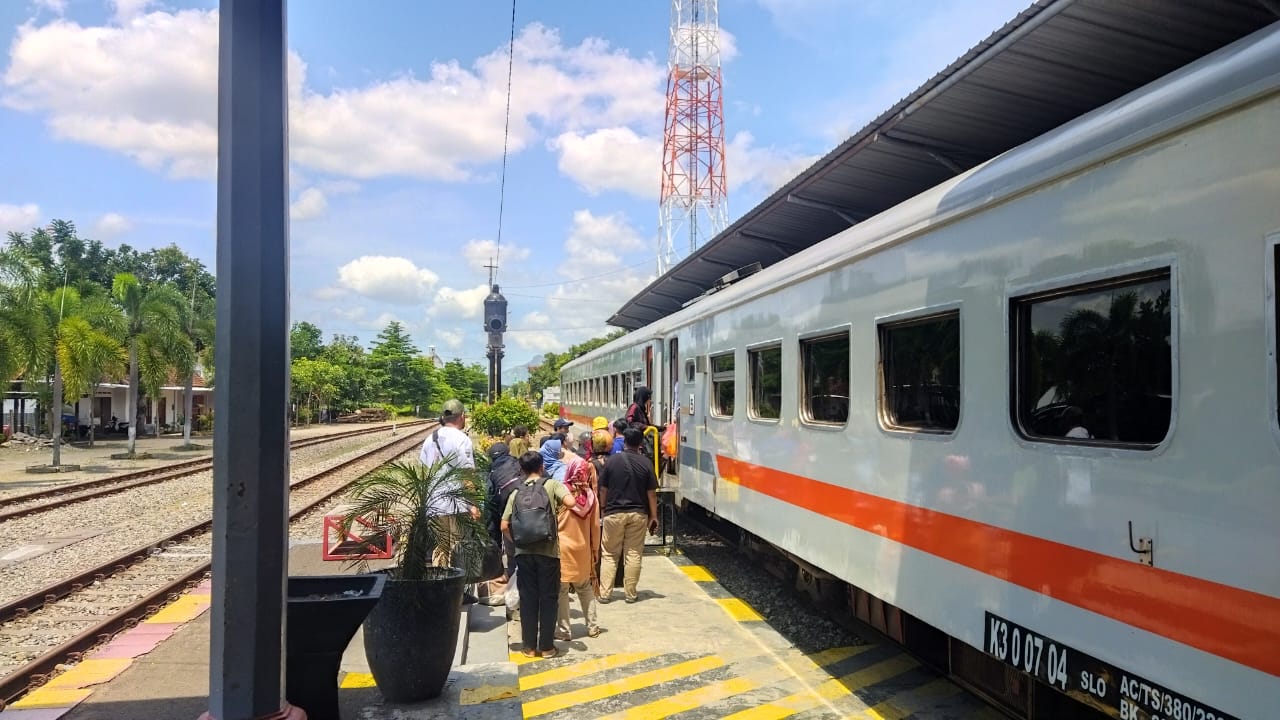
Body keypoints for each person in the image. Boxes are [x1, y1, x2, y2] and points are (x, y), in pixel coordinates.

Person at [501, 451, 577, 658]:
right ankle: (546, 648)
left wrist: (517, 542)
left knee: (528, 599)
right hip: (548, 552)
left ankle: (528, 647)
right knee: (548, 598)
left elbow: (504, 525)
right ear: (542, 467)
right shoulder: (551, 485)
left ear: (522, 470)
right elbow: (571, 503)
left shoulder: (516, 492)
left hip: (523, 554)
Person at [419, 399, 480, 601]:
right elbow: (467, 474)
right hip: (457, 503)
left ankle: (440, 592)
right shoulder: (462, 439)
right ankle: (456, 594)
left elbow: (424, 473)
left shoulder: (430, 439)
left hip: (434, 502)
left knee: (440, 547)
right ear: (462, 416)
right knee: (457, 546)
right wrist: (473, 503)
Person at [597, 427, 659, 604]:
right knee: (633, 553)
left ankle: (605, 594)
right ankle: (630, 594)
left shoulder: (612, 461)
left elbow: (603, 489)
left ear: (624, 442)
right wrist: (653, 516)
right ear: (640, 443)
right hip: (638, 514)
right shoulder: (646, 463)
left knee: (610, 554)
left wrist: (603, 509)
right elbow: (652, 494)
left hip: (613, 513)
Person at [556, 457, 601, 640]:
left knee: (561, 590)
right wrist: (595, 550)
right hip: (582, 548)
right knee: (584, 587)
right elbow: (595, 527)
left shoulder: (561, 492)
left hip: (562, 547)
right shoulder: (591, 497)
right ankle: (593, 627)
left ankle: (564, 631)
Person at [482, 442, 523, 606]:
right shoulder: (519, 463)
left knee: (513, 558)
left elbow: (491, 507)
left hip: (510, 522)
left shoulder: (493, 474)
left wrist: (495, 540)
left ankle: (516, 600)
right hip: (536, 517)